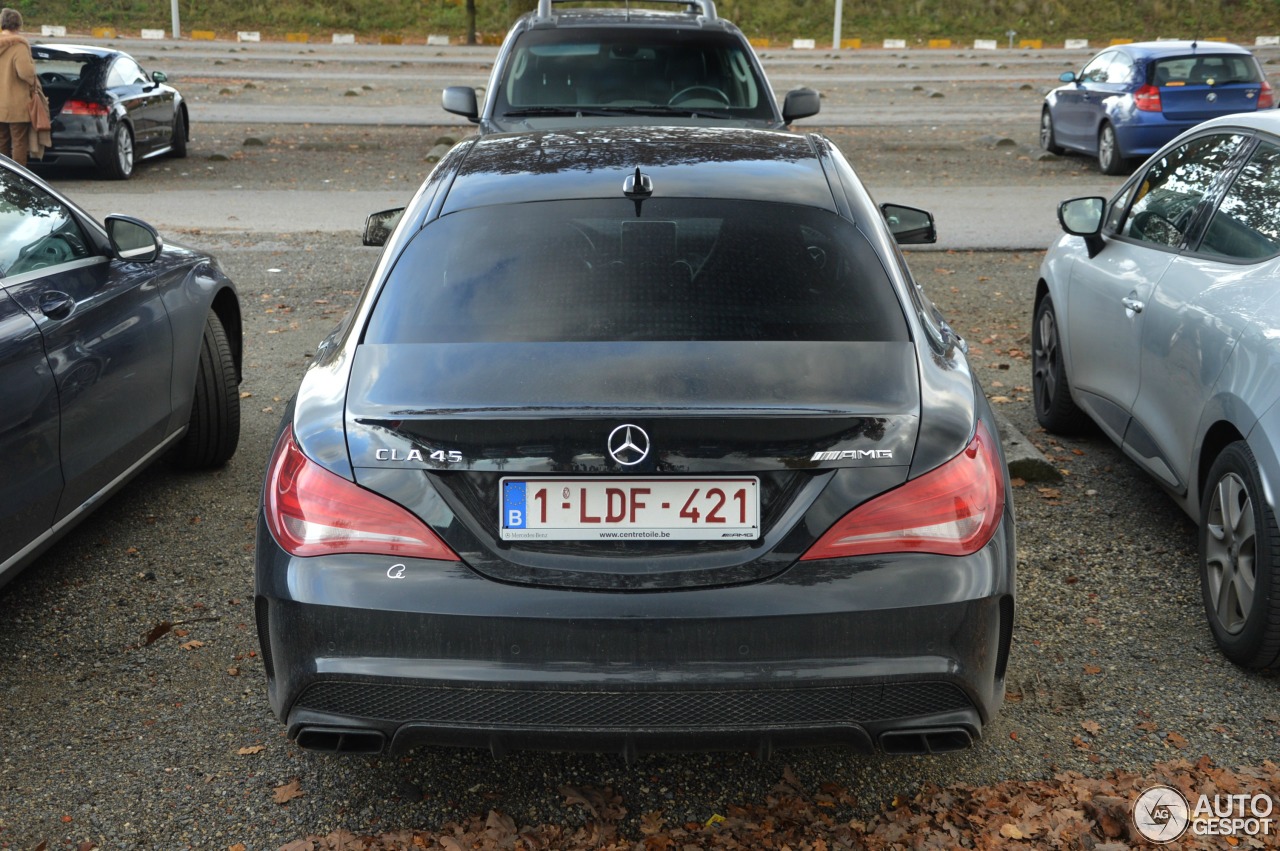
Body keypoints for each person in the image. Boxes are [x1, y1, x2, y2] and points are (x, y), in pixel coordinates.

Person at [0, 7, 38, 166]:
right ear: (18, 25)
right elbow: (26, 73)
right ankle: (19, 178)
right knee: (19, 143)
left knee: (1, 142)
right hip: (16, 105)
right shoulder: (18, 46)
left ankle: (3, 177)